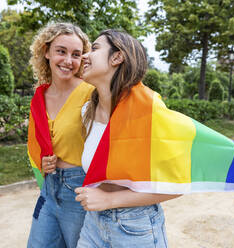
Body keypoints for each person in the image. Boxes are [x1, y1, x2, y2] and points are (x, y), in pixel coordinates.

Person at [74, 30, 180, 248]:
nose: (84, 56)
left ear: (117, 57)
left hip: (134, 228)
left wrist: (110, 200)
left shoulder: (149, 112)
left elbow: (177, 185)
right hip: (93, 224)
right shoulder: (88, 111)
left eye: (94, 48)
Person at [26, 22, 94, 248]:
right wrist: (43, 160)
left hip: (80, 188)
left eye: (76, 54)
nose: (68, 61)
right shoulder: (39, 97)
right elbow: (38, 143)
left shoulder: (91, 93)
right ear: (46, 52)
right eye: (61, 51)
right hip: (49, 186)